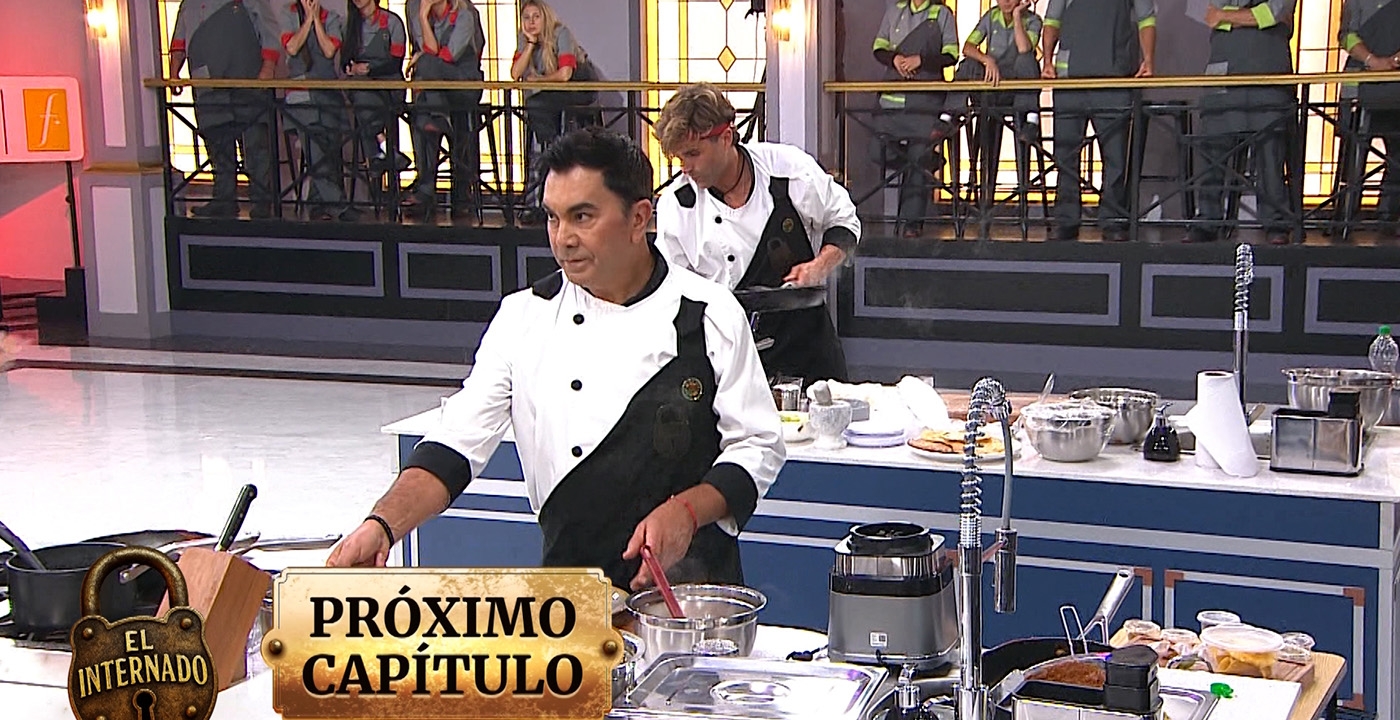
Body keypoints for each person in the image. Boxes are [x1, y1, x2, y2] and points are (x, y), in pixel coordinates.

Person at [326, 127, 785, 593]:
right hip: (570, 593)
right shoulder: (523, 318)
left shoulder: (708, 312)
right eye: (552, 218)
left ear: (639, 218)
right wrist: (381, 525)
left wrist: (687, 511)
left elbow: (758, 444)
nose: (563, 239)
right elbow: (455, 443)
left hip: (692, 597)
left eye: (582, 216)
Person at [654, 84, 860, 385]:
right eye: (679, 158)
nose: (686, 168)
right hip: (730, 359)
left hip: (808, 347)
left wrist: (820, 265)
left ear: (726, 137)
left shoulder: (787, 170)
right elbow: (673, 293)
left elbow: (843, 221)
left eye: (693, 154)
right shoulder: (677, 206)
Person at [1041, 0, 1157, 241]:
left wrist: (1148, 59)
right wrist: (1048, 61)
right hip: (1070, 80)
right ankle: (1066, 219)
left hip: (1113, 79)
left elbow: (1146, 19)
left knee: (1115, 156)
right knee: (1066, 155)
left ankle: (1112, 220)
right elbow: (1052, 21)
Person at [1186, 1, 1298, 245]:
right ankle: (1207, 220)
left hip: (1269, 72)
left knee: (1270, 155)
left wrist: (1226, 16)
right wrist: (1252, 17)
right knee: (1212, 149)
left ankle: (1275, 222)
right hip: (1222, 71)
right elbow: (1208, 14)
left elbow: (1274, 12)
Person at [168, 0, 281, 219]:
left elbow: (269, 30)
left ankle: (262, 201)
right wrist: (174, 73)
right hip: (207, 85)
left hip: (247, 81)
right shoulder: (189, 4)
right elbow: (180, 40)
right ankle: (224, 199)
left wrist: (268, 68)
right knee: (217, 144)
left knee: (255, 145)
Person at [870, 0, 960, 238]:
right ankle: (927, 163)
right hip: (891, 103)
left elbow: (951, 54)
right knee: (877, 150)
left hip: (924, 103)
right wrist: (894, 59)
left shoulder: (942, 14)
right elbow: (878, 47)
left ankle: (912, 226)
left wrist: (922, 60)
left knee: (918, 159)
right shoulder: (894, 11)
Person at [512, 0, 601, 226]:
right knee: (537, 106)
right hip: (548, 97)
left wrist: (538, 81)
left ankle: (551, 151)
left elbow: (565, 75)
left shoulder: (561, 33)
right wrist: (530, 45)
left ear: (545, 17)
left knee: (537, 104)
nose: (531, 22)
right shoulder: (524, 40)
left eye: (536, 17)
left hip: (578, 88)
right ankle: (549, 150)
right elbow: (515, 74)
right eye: (526, 18)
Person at [401, 0, 485, 222]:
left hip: (463, 84)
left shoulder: (465, 15)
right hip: (436, 91)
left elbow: (446, 56)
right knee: (421, 116)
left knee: (426, 69)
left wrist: (422, 60)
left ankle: (460, 194)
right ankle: (426, 191)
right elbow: (429, 52)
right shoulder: (417, 11)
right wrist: (422, 17)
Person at [277, 0, 351, 221]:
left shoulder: (332, 18)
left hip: (328, 95)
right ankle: (339, 206)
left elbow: (329, 51)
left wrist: (316, 20)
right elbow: (292, 47)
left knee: (330, 151)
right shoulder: (288, 14)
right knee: (316, 153)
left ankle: (318, 204)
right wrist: (307, 19)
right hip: (301, 96)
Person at [1340, 0, 1400, 237]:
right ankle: (1345, 215)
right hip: (1359, 84)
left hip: (1395, 86)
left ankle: (1388, 215)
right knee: (1353, 153)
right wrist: (1373, 61)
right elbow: (1346, 35)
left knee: (1397, 151)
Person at [342, 0, 409, 186]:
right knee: (360, 93)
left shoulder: (392, 22)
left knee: (362, 102)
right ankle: (385, 147)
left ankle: (377, 154)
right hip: (361, 86)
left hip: (388, 87)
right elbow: (344, 61)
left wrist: (369, 69)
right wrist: (352, 68)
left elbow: (396, 61)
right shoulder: (351, 24)